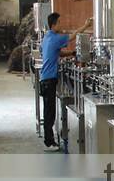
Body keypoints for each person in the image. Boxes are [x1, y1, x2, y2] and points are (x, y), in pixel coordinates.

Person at [39, 12, 92, 151]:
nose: (61, 25)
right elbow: (73, 36)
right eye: (59, 22)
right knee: (49, 113)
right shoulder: (55, 37)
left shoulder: (47, 37)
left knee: (48, 111)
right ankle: (49, 143)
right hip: (49, 80)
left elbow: (57, 53)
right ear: (54, 24)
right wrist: (86, 25)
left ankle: (49, 140)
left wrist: (72, 53)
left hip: (45, 79)